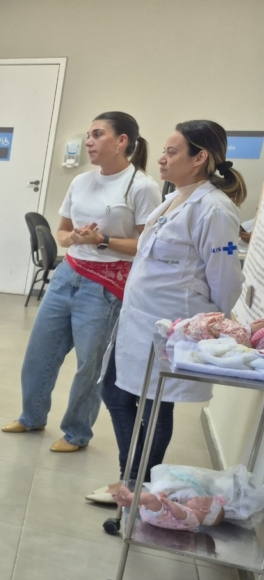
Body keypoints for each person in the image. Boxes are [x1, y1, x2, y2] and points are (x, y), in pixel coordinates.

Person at [91, 120, 245, 500]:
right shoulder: (175, 197)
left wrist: (206, 327)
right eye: (164, 151)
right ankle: (134, 480)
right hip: (141, 320)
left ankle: (136, 487)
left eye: (172, 152)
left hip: (172, 326)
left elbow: (226, 280)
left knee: (154, 407)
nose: (161, 158)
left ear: (200, 158)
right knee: (117, 392)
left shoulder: (214, 209)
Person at [2, 112, 161, 453]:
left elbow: (145, 246)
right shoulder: (81, 182)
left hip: (105, 287)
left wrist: (101, 240)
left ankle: (76, 433)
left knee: (90, 366)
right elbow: (61, 232)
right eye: (88, 134)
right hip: (68, 275)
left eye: (97, 134)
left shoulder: (143, 186)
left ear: (121, 141)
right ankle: (32, 417)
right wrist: (74, 238)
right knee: (39, 353)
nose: (88, 141)